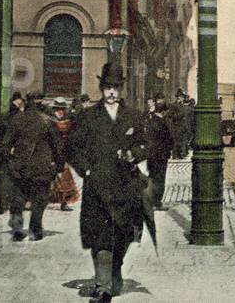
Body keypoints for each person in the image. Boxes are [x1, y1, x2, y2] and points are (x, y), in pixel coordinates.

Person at [67, 64, 150, 303]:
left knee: (124, 235)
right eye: (107, 87)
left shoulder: (133, 116)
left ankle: (115, 269)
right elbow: (72, 148)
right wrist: (86, 170)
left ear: (121, 89)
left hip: (126, 186)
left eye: (115, 87)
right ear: (101, 88)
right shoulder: (87, 117)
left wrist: (134, 154)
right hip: (98, 188)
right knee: (100, 235)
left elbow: (145, 144)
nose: (111, 92)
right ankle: (102, 287)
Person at [2, 93, 62, 241]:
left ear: (27, 103)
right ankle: (35, 230)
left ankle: (17, 229)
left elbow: (5, 145)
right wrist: (59, 166)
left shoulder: (16, 119)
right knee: (39, 199)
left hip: (19, 167)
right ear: (41, 104)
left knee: (18, 198)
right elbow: (57, 147)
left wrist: (11, 161)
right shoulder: (48, 121)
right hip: (42, 168)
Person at [49, 97, 80, 211]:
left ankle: (64, 202)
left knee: (65, 178)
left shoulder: (68, 120)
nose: (60, 111)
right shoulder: (49, 120)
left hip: (62, 152)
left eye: (62, 109)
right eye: (58, 109)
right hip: (50, 152)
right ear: (54, 109)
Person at [144, 95, 174, 210]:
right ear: (163, 112)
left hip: (151, 154)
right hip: (161, 155)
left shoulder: (150, 121)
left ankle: (150, 202)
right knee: (160, 179)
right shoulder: (162, 123)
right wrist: (170, 148)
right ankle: (157, 203)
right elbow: (169, 139)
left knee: (152, 177)